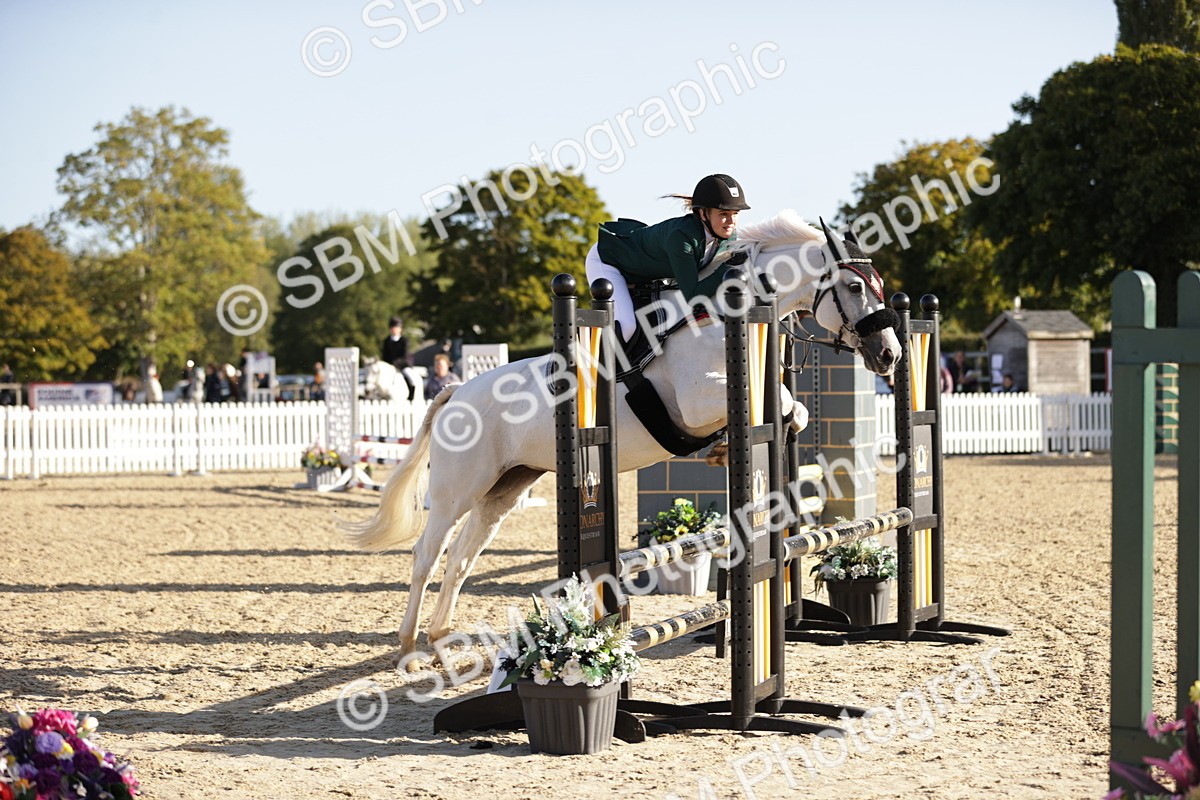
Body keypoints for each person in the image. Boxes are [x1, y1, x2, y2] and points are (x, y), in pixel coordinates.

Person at [585, 173, 750, 340]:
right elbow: (693, 297)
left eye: (735, 213)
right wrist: (728, 269)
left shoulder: (727, 235)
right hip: (609, 260)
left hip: (642, 268)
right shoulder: (682, 238)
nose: (731, 221)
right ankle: (592, 365)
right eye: (723, 214)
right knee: (628, 326)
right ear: (703, 214)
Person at [381, 316, 418, 401]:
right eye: (392, 328)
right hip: (390, 366)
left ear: (400, 329)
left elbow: (404, 355)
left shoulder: (404, 340)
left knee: (410, 377)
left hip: (403, 364)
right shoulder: (386, 341)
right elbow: (385, 355)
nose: (394, 330)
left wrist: (395, 363)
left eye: (396, 328)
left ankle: (411, 395)